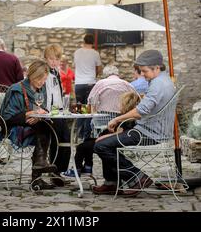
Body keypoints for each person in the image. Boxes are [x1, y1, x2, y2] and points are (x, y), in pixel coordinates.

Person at [92, 50, 175, 196]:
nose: (142, 74)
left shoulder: (158, 84)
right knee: (103, 140)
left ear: (157, 67)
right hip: (151, 130)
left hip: (149, 133)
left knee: (101, 145)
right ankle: (112, 182)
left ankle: (136, 177)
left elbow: (140, 111)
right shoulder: (165, 80)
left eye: (145, 71)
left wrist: (117, 119)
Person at [0, 59, 58, 189]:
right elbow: (8, 117)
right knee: (43, 126)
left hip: (34, 126)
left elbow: (42, 109)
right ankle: (39, 169)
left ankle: (40, 168)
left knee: (50, 125)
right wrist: (28, 114)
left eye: (44, 79)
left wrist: (40, 114)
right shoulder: (17, 89)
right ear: (31, 75)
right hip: (14, 129)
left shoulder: (40, 90)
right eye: (39, 79)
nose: (42, 82)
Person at [62, 91, 140, 178]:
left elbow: (120, 132)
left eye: (120, 103)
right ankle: (88, 167)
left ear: (126, 105)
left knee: (81, 147)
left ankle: (76, 169)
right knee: (87, 141)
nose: (118, 105)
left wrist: (103, 137)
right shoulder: (124, 116)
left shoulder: (126, 118)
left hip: (107, 141)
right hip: (107, 139)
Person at [44, 44, 70, 177]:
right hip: (51, 112)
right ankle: (55, 169)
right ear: (46, 59)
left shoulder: (57, 72)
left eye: (56, 59)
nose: (54, 62)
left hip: (59, 110)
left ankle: (62, 168)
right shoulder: (45, 74)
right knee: (57, 139)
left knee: (66, 138)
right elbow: (48, 95)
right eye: (51, 59)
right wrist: (50, 111)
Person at [74, 34, 102, 104]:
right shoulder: (95, 53)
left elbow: (75, 65)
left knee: (79, 107)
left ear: (84, 41)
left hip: (79, 83)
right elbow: (99, 69)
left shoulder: (77, 52)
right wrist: (94, 76)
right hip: (91, 82)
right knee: (90, 106)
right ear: (93, 42)